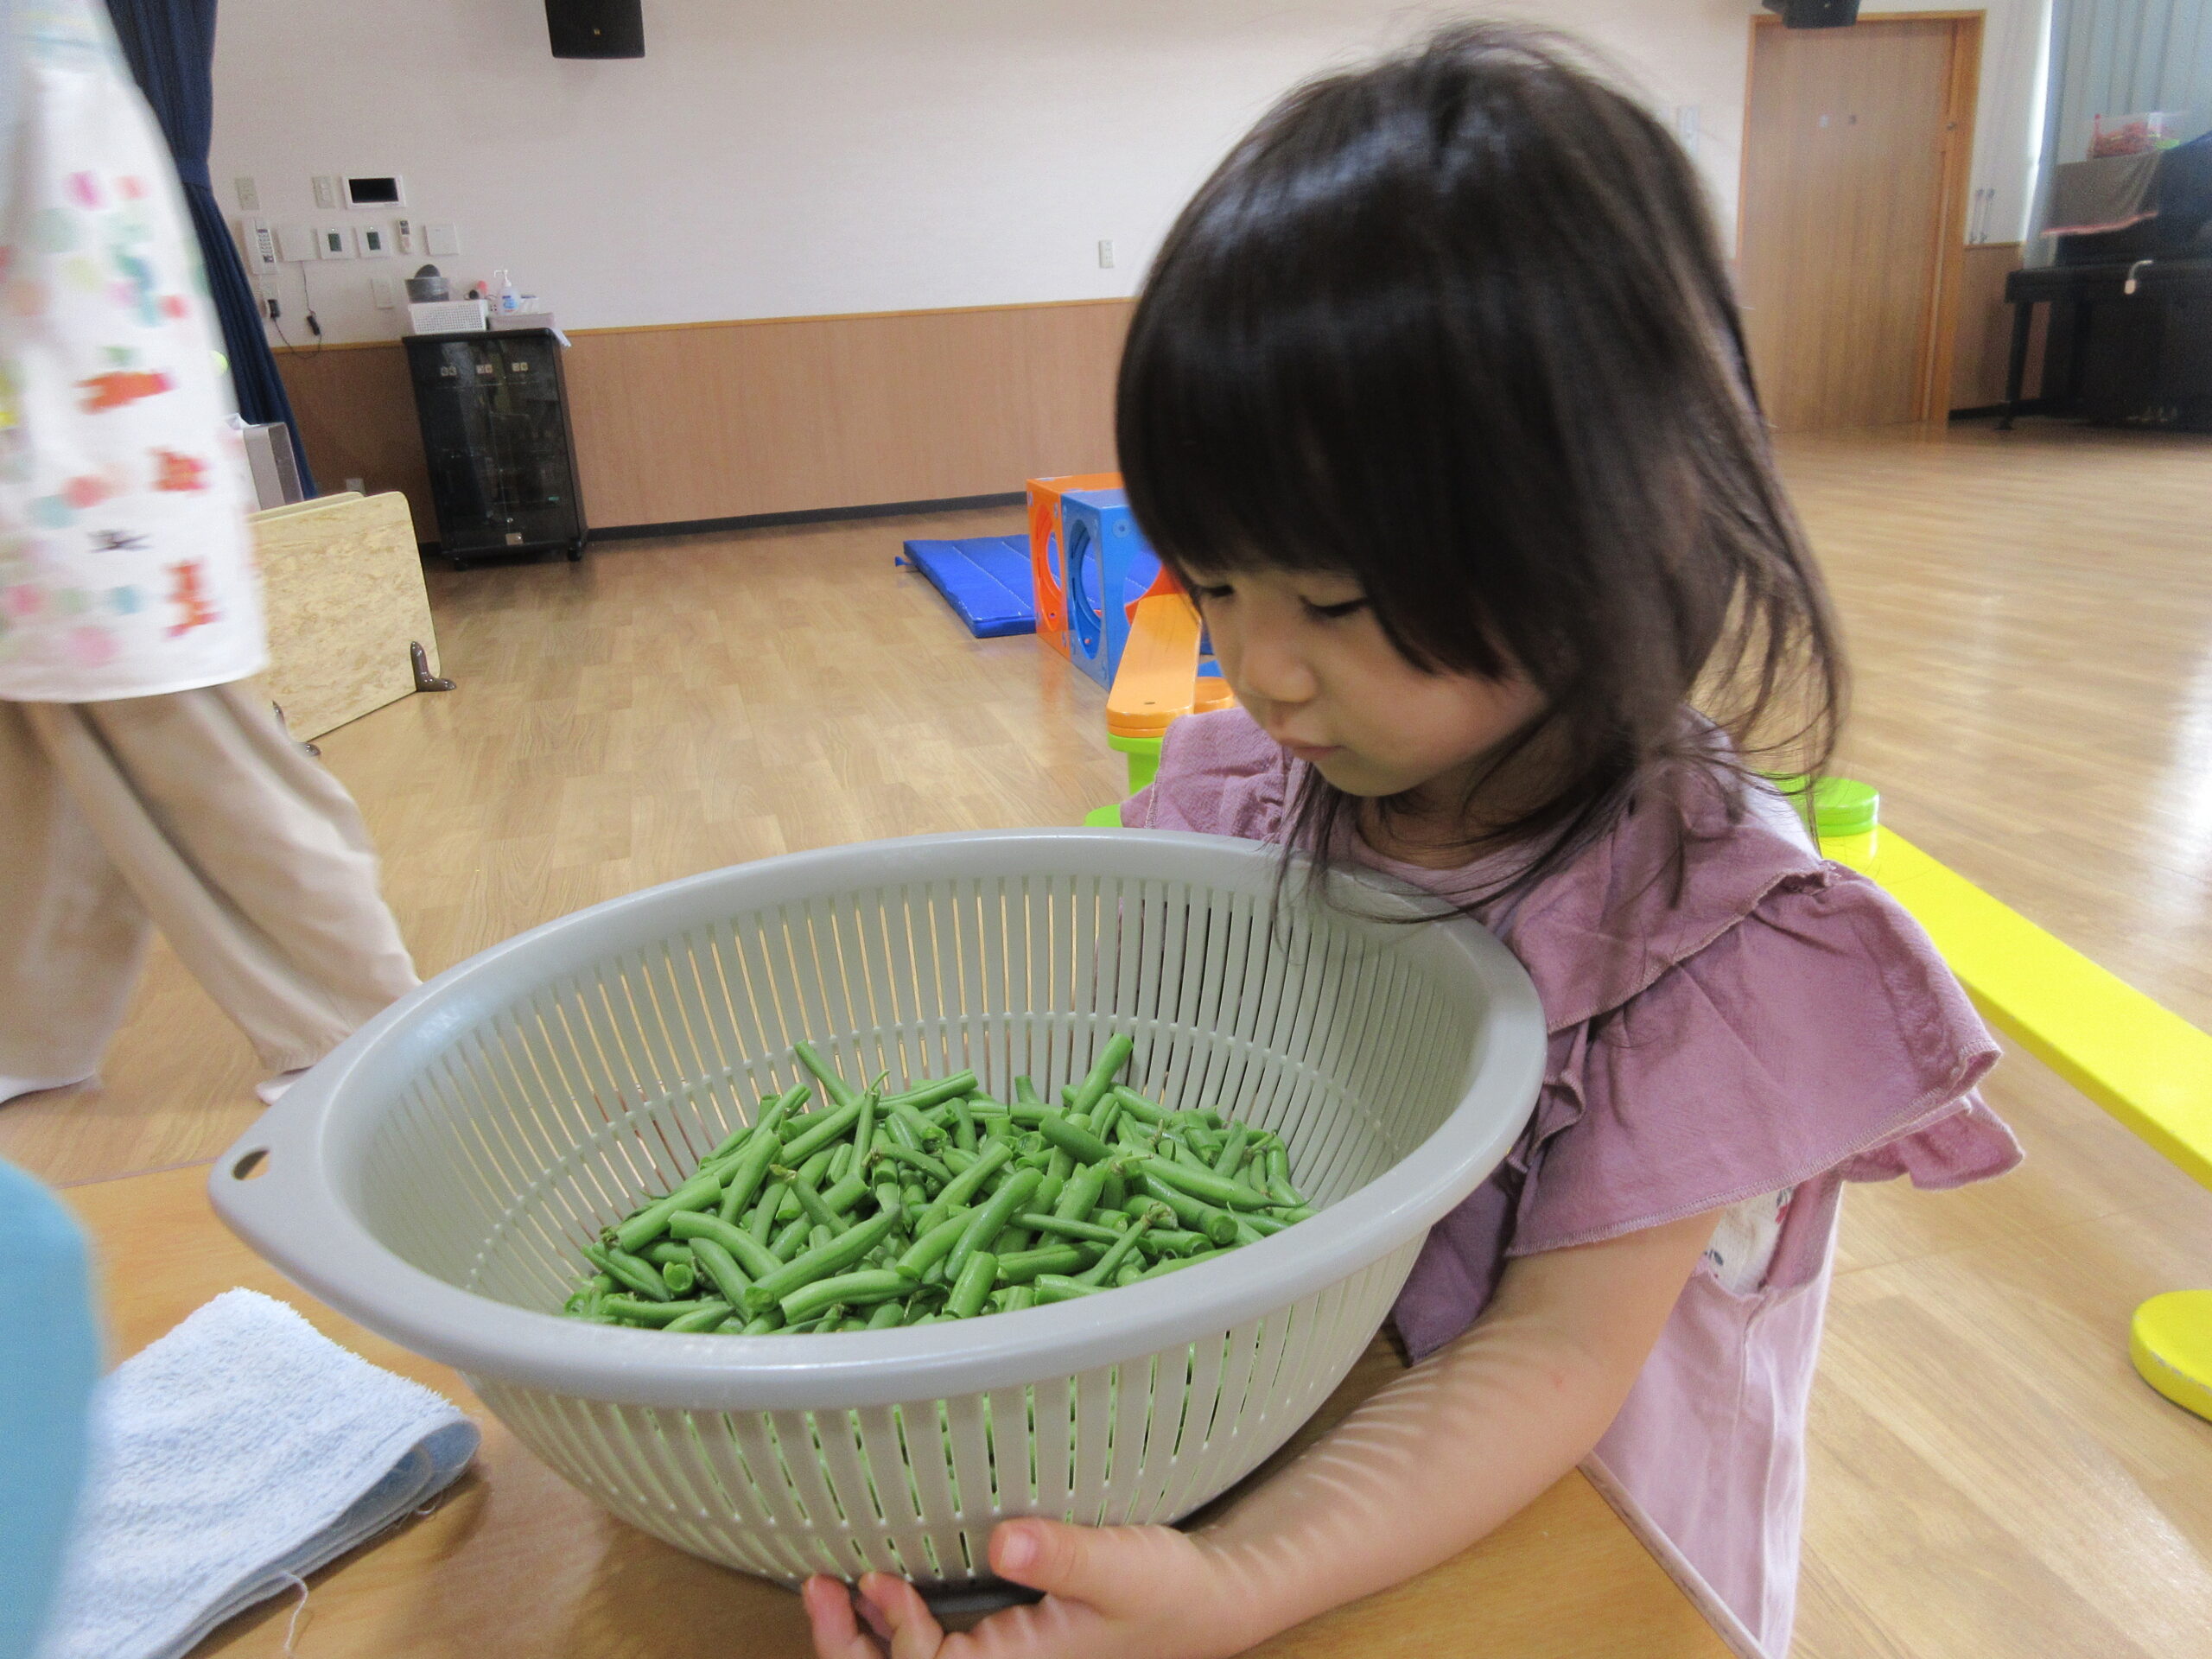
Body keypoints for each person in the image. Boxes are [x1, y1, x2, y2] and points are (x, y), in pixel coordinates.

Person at [803, 26, 2020, 1659]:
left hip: (1576, 1562)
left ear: (1613, 534)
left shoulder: (1704, 940)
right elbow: (1114, 1131)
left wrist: (1230, 1584)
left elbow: (1549, 1364)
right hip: (1279, 1480)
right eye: (1215, 585)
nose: (1262, 665)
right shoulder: (1239, 810)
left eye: (1331, 602)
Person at [0, 0, 416, 1109]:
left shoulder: (31, 41)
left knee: (203, 762)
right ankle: (28, 1034)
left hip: (87, 483)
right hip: (85, 466)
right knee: (46, 767)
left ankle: (365, 1035)